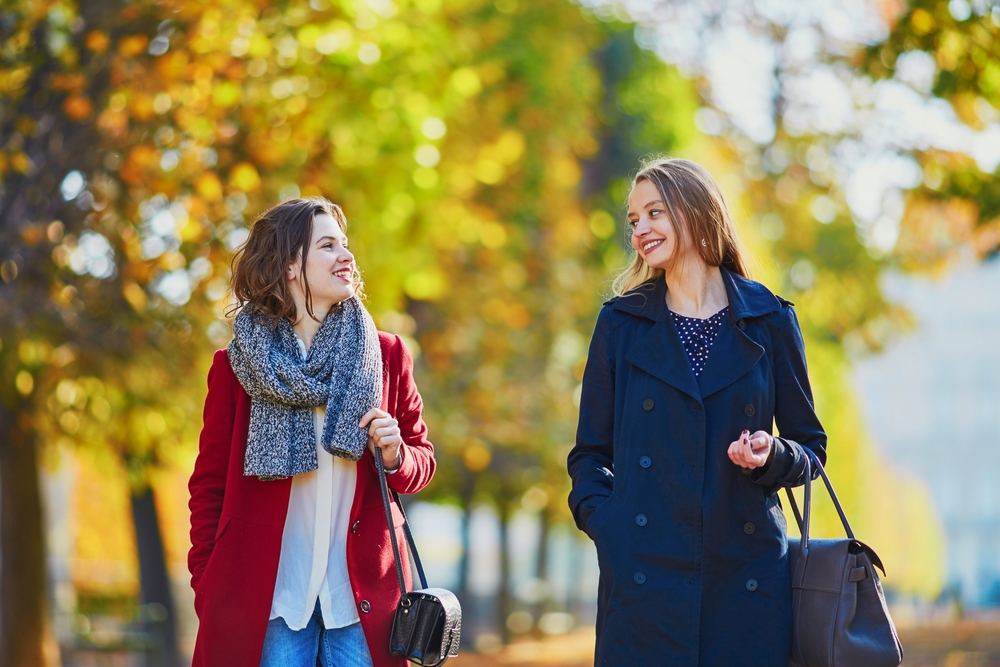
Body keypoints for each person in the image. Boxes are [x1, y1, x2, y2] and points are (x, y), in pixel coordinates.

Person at [567, 158, 826, 666]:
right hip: (643, 576)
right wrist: (610, 527)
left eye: (654, 213)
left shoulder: (769, 319)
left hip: (745, 577)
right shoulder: (621, 323)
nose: (640, 229)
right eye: (634, 219)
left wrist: (772, 454)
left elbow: (810, 448)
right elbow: (590, 454)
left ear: (696, 211)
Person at [188, 197, 436, 667]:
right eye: (327, 246)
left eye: (345, 245)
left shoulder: (386, 356)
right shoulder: (235, 367)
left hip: (362, 605)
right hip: (269, 603)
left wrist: (396, 455)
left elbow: (422, 462)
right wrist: (208, 581)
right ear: (288, 266)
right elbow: (208, 486)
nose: (347, 256)